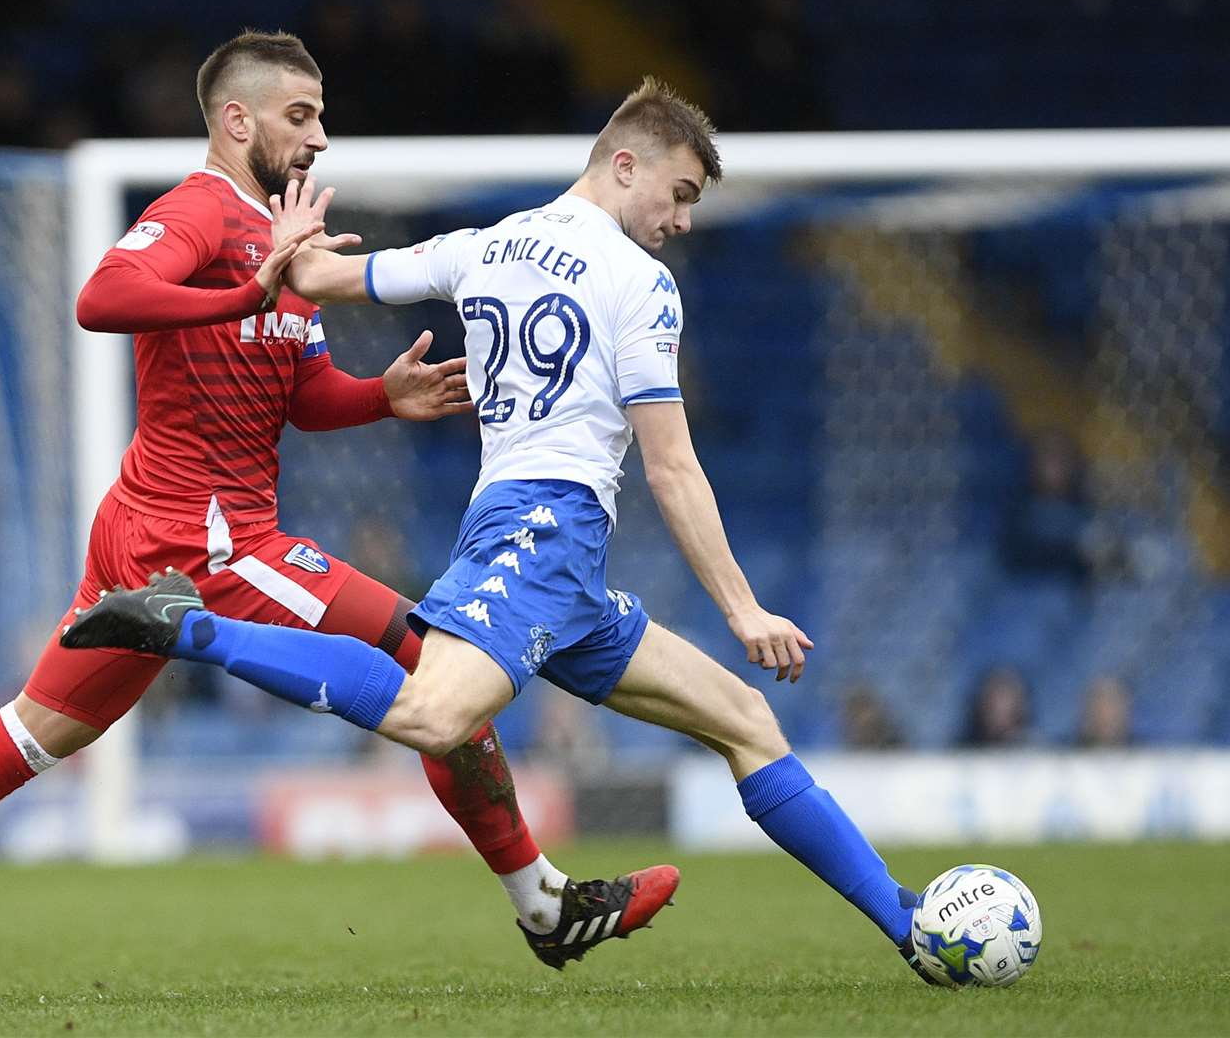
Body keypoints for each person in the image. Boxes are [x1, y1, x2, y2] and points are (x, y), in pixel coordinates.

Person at [0, 30, 673, 1009]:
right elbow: (100, 297)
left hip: (164, 526)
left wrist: (384, 394)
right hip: (209, 538)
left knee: (35, 735)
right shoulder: (201, 212)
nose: (320, 136)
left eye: (323, 116)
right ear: (237, 119)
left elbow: (304, 391)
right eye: (302, 115)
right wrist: (247, 287)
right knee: (437, 666)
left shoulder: (281, 231)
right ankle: (544, 906)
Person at [64, 77, 939, 984]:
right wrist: (743, 608)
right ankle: (188, 626)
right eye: (679, 195)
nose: (683, 222)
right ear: (625, 162)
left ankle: (905, 923)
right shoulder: (642, 284)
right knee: (434, 714)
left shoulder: (482, 245)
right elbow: (672, 467)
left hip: (544, 553)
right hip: (544, 536)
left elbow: (324, 277)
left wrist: (287, 250)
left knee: (747, 723)